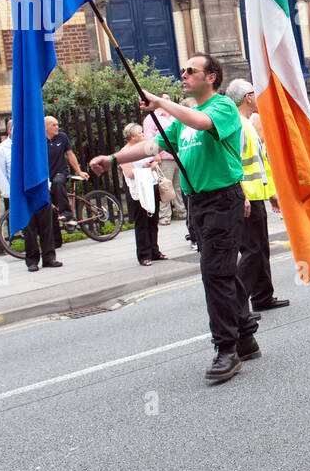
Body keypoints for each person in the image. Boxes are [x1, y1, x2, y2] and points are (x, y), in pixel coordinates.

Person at [91, 54, 259, 383]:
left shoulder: (221, 108)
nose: (183, 74)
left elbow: (201, 124)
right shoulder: (186, 119)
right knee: (222, 271)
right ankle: (246, 337)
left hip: (223, 201)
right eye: (182, 69)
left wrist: (158, 103)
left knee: (215, 274)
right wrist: (113, 158)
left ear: (211, 77)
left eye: (190, 71)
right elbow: (153, 147)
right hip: (199, 205)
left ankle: (227, 349)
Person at [226, 79, 290, 312]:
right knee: (252, 251)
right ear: (248, 98)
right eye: (254, 92)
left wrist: (270, 193)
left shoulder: (245, 123)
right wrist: (242, 195)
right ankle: (237, 306)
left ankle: (263, 296)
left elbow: (259, 163)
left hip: (256, 196)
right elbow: (233, 163)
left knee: (260, 248)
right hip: (246, 199)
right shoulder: (239, 125)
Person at [0, 120, 61, 272]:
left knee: (46, 224)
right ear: (10, 130)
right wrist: (9, 194)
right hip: (21, 193)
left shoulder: (32, 145)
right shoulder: (2, 149)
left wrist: (47, 184)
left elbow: (42, 165)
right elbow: (1, 173)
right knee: (28, 227)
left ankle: (49, 257)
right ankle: (32, 260)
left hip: (39, 188)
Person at [119, 123, 167, 266]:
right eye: (140, 133)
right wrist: (146, 168)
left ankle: (155, 251)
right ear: (132, 137)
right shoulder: (125, 152)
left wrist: (152, 164)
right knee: (142, 222)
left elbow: (158, 158)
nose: (143, 135)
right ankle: (144, 255)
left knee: (153, 219)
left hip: (151, 185)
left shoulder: (147, 145)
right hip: (138, 189)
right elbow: (129, 173)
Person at [142, 98, 187, 226]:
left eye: (168, 98)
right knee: (164, 186)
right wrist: (155, 155)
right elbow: (149, 138)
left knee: (178, 186)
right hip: (164, 157)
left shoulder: (174, 116)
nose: (168, 100)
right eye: (165, 98)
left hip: (178, 156)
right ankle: (164, 215)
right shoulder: (151, 118)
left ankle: (181, 211)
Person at [45, 115, 89, 229]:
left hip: (60, 172)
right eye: (53, 125)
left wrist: (79, 171)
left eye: (57, 124)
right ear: (45, 127)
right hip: (47, 177)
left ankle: (67, 214)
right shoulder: (40, 141)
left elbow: (70, 154)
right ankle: (56, 240)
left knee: (58, 181)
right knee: (50, 207)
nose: (57, 127)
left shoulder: (62, 137)